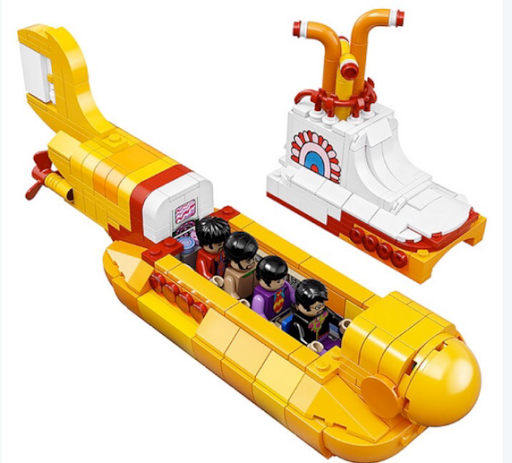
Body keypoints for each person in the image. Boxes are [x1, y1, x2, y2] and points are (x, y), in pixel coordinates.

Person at [289, 279, 343, 354]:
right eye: (317, 307)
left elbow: (333, 317)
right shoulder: (297, 322)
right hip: (314, 348)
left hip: (327, 338)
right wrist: (309, 345)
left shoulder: (324, 311)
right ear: (298, 306)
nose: (321, 308)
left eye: (322, 304)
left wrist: (341, 322)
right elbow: (301, 338)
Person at [252, 256, 294, 320]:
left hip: (286, 313)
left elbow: (292, 294)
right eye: (278, 281)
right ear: (263, 280)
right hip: (270, 320)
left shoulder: (286, 285)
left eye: (283, 278)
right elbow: (259, 315)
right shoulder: (259, 298)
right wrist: (268, 323)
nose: (282, 282)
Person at [223, 231, 258, 304]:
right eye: (248, 261)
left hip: (253, 296)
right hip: (242, 301)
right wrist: (239, 302)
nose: (252, 262)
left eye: (253, 258)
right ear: (234, 260)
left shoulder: (255, 267)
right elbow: (231, 294)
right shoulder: (230, 277)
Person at [195, 216, 230, 284]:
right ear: (206, 244)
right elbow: (204, 273)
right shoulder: (202, 260)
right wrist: (212, 279)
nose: (222, 246)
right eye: (219, 244)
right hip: (210, 283)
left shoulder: (223, 252)